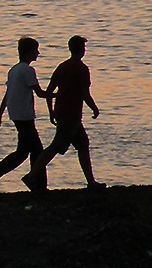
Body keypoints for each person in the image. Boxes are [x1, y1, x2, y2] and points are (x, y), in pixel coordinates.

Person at [37, 35, 104, 190]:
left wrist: (51, 112)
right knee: (56, 146)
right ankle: (32, 175)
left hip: (63, 112)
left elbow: (49, 92)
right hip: (71, 114)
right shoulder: (81, 68)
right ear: (82, 50)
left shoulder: (62, 66)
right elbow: (85, 93)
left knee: (83, 145)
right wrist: (94, 108)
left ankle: (91, 182)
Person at [0, 36, 48, 193]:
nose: (38, 53)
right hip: (25, 116)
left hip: (17, 114)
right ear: (29, 52)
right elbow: (40, 93)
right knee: (23, 152)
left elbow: (7, 95)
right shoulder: (27, 71)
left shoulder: (14, 70)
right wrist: (61, 94)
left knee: (36, 150)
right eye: (36, 50)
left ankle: (38, 184)